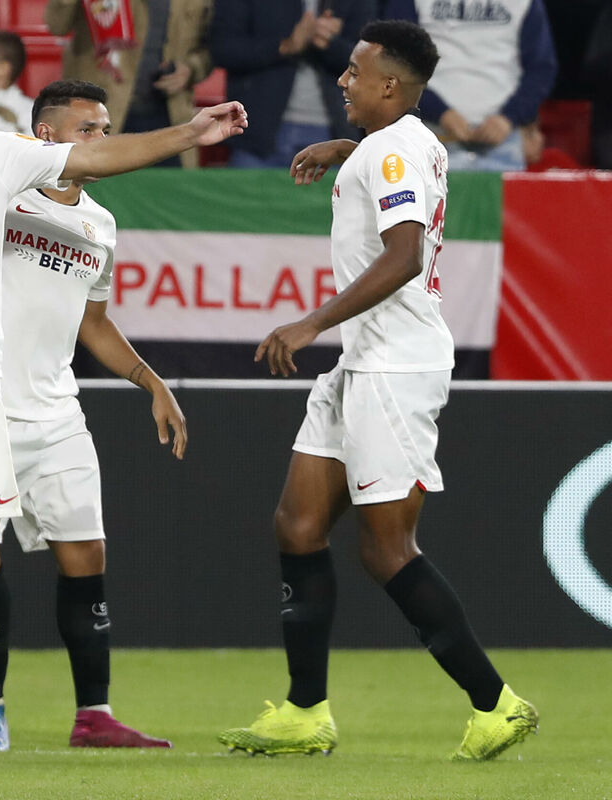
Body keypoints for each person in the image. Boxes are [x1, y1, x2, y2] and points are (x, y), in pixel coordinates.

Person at [0, 22, 245, 753]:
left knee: (81, 555)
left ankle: (90, 712)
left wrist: (148, 379)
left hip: (54, 411)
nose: (98, 139)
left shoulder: (97, 224)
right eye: (85, 129)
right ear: (45, 135)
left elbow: (94, 320)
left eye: (103, 129)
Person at [217, 20, 538, 761]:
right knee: (298, 525)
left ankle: (497, 705)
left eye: (355, 71)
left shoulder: (392, 151)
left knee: (388, 550)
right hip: (363, 361)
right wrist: (348, 149)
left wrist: (311, 322)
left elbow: (403, 255)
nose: (342, 79)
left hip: (394, 366)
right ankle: (305, 713)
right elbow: (398, 166)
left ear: (389, 85)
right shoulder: (404, 141)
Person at [383, 0, 557, 171]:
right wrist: (440, 113)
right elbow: (396, 63)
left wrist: (508, 118)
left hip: (503, 143)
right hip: (430, 136)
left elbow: (541, 68)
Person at [44, 0, 213, 168]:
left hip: (171, 117)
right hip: (99, 116)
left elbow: (213, 47)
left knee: (172, 185)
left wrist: (190, 70)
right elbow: (56, 25)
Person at [211, 0, 375, 168]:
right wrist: (285, 46)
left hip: (334, 132)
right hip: (258, 134)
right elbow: (223, 48)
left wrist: (330, 43)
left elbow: (374, 61)